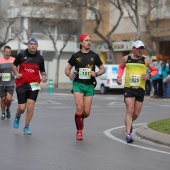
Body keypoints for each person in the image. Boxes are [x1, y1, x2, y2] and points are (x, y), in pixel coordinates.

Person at [65, 33, 105, 140]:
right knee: (79, 107)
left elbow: (102, 69)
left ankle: (80, 118)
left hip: (89, 85)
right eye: (86, 40)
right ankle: (79, 131)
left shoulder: (94, 56)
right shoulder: (75, 56)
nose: (89, 42)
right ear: (81, 43)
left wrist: (96, 74)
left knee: (86, 112)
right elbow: (67, 69)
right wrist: (69, 74)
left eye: (90, 40)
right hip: (78, 84)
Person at [116, 40, 158, 143]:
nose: (140, 50)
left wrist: (149, 75)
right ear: (133, 48)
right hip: (129, 87)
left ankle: (129, 123)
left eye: (142, 48)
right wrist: (119, 77)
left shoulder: (146, 60)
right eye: (138, 48)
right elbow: (121, 68)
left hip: (140, 88)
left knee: (136, 113)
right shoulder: (126, 58)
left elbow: (155, 70)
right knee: (129, 110)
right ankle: (128, 134)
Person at [12, 38, 47, 135]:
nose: (32, 45)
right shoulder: (21, 55)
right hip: (22, 83)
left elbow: (42, 70)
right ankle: (18, 115)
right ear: (28, 45)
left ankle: (26, 127)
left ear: (37, 46)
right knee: (22, 108)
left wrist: (44, 77)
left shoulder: (40, 58)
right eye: (31, 44)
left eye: (34, 44)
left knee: (31, 106)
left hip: (34, 83)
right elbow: (14, 65)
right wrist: (16, 73)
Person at [0, 46, 15, 120]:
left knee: (8, 99)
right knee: (3, 99)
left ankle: (8, 109)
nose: (8, 53)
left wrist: (14, 73)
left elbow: (17, 69)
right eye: (6, 52)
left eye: (9, 52)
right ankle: (3, 113)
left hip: (10, 83)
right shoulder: (0, 60)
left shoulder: (13, 60)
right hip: (1, 83)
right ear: (3, 52)